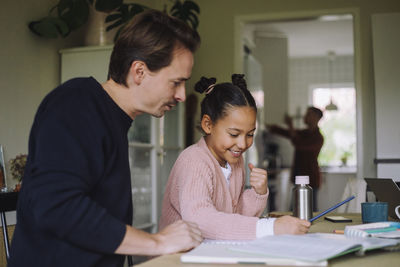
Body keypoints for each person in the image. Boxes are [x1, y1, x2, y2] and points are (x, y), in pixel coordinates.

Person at [9, 10, 202, 267]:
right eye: (176, 82)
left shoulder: (113, 119)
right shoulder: (75, 103)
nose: (182, 96)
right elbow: (57, 206)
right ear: (139, 72)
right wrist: (157, 242)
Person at [159, 74, 310, 240]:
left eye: (250, 134)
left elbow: (234, 217)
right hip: (179, 257)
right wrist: (270, 227)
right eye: (234, 134)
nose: (243, 144)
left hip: (214, 251)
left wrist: (257, 193)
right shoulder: (194, 160)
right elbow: (199, 220)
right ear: (208, 125)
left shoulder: (235, 161)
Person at [267, 107, 324, 210]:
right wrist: (270, 127)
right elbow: (289, 133)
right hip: (298, 177)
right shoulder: (305, 133)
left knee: (310, 210)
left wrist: (290, 124)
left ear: (316, 118)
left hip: (311, 179)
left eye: (308, 114)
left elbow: (298, 143)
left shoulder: (318, 138)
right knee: (296, 209)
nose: (304, 116)